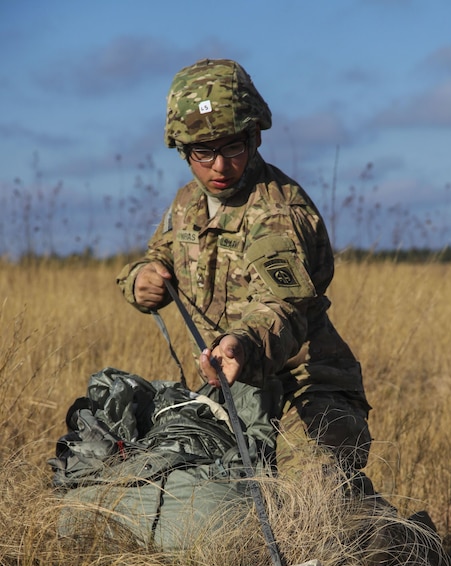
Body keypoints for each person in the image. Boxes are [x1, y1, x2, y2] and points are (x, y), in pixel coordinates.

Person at [117, 58, 374, 494]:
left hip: (305, 390)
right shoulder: (188, 203)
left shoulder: (278, 212)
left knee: (313, 504)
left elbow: (284, 308)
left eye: (232, 147)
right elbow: (159, 257)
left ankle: (412, 550)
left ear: (254, 137)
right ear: (183, 151)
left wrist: (242, 343)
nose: (219, 166)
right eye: (204, 151)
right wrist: (140, 280)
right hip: (234, 388)